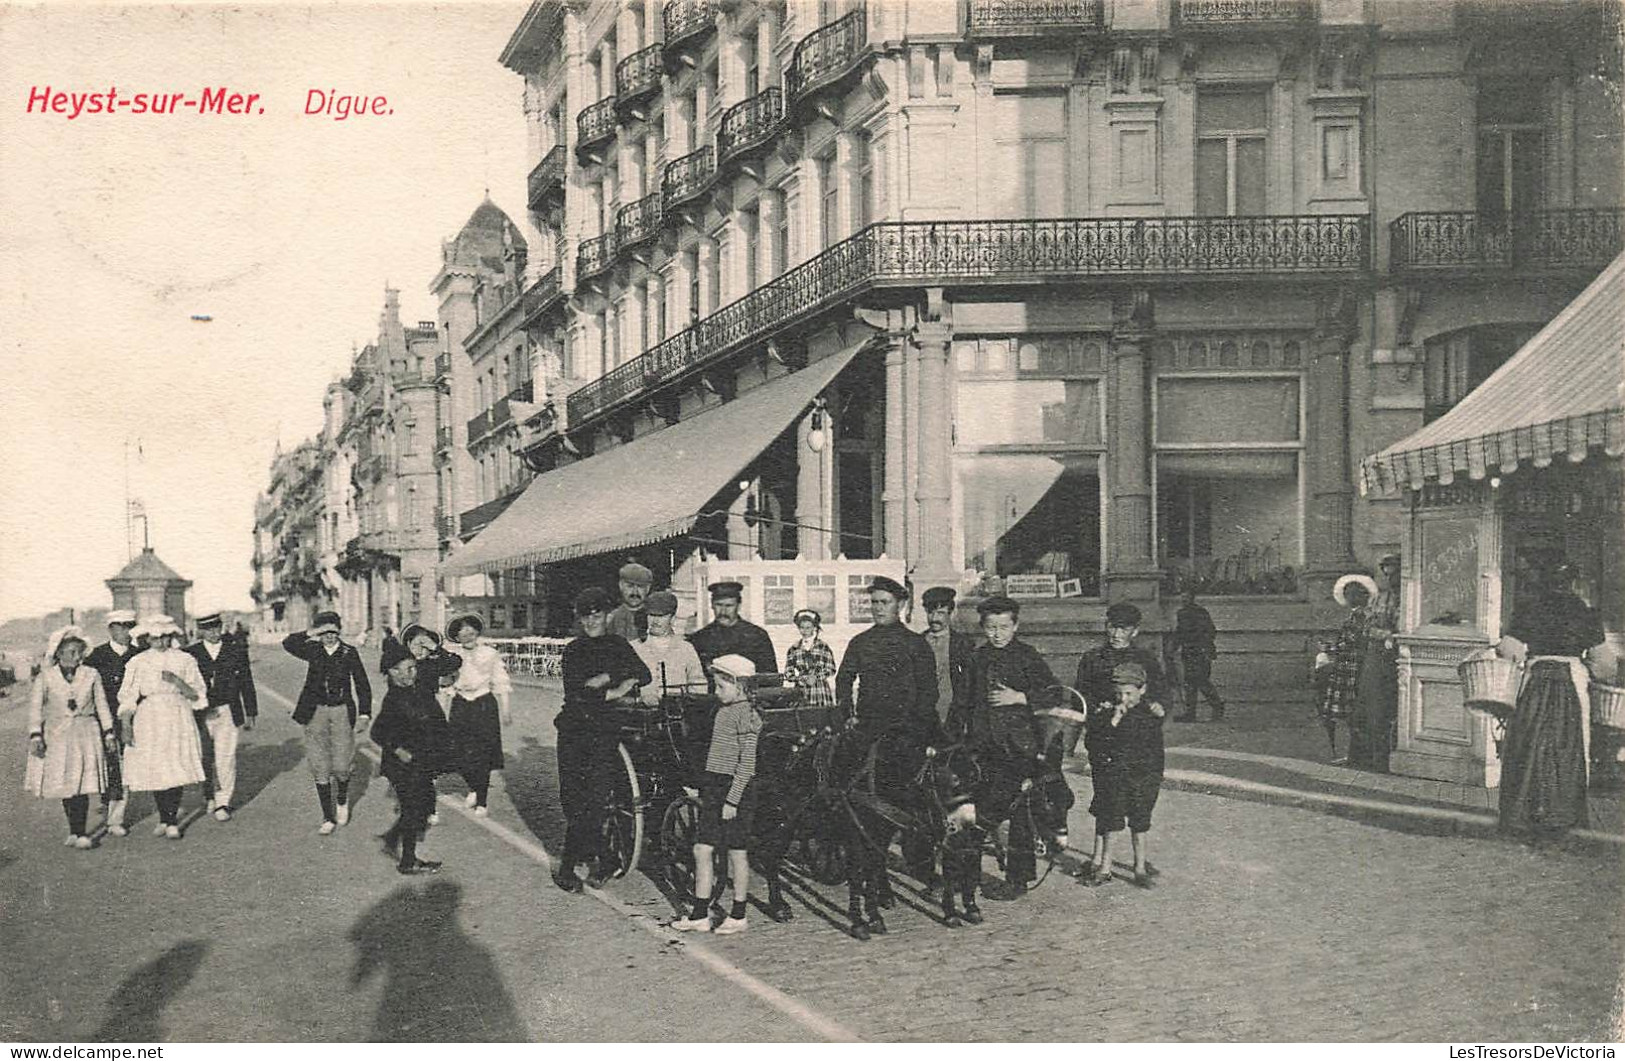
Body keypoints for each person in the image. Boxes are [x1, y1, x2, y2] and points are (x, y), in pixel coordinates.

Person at [953, 595, 1065, 902]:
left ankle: (1018, 878)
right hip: (982, 747)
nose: (997, 633)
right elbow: (963, 701)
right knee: (972, 812)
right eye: (991, 627)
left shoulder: (1028, 657)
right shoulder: (977, 659)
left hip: (1019, 750)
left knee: (1018, 813)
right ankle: (968, 875)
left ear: (1016, 626)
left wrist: (1022, 698)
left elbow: (1055, 695)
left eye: (1004, 626)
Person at [1497, 557, 1606, 839]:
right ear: (1572, 582)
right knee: (1571, 745)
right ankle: (1563, 813)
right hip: (1572, 678)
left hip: (1535, 678)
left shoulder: (1528, 608)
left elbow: (1509, 650)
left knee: (1525, 742)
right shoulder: (1585, 612)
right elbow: (1603, 663)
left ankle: (1523, 814)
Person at [554, 587, 650, 893]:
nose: (592, 621)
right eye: (586, 616)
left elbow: (643, 674)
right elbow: (578, 693)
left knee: (595, 801)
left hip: (603, 732)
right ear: (580, 620)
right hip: (574, 731)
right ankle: (600, 858)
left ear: (607, 616)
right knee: (573, 802)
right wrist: (617, 680)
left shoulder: (617, 644)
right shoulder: (573, 651)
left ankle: (573, 867)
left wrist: (610, 684)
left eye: (597, 615)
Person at [672, 654, 763, 936]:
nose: (715, 692)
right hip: (716, 787)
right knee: (702, 849)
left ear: (739, 685)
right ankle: (700, 913)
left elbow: (746, 765)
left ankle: (738, 914)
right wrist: (704, 786)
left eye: (721, 687)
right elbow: (716, 757)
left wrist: (732, 800)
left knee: (737, 853)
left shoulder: (748, 715)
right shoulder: (723, 711)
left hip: (736, 792)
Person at [26, 626, 119, 848]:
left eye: (79, 652)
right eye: (71, 653)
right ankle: (74, 830)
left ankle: (81, 833)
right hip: (58, 734)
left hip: (86, 732)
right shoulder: (46, 677)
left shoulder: (91, 674)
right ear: (58, 653)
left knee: (82, 782)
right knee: (66, 784)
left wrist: (108, 732)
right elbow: (36, 708)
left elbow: (102, 705)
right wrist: (35, 736)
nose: (77, 658)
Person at [282, 611, 373, 835]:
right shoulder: (312, 650)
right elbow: (289, 643)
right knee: (319, 763)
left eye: (333, 631)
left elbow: (362, 685)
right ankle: (327, 816)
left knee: (342, 765)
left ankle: (341, 797)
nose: (329, 636)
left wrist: (364, 714)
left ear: (339, 632)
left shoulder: (348, 653)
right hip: (315, 711)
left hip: (341, 710)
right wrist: (312, 632)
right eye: (324, 632)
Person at [119, 616, 209, 839]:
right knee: (157, 767)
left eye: (165, 638)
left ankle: (171, 822)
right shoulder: (137, 662)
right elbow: (128, 696)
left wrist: (178, 682)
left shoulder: (185, 659)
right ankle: (165, 817)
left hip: (176, 714)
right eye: (155, 639)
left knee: (174, 765)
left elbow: (198, 694)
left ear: (171, 637)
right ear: (147, 639)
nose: (160, 643)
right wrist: (126, 725)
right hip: (150, 717)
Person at [372, 637, 455, 875]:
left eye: (411, 668)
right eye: (398, 670)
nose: (406, 674)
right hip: (402, 764)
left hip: (421, 761)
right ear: (388, 673)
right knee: (413, 809)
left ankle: (391, 839)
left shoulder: (417, 689)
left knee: (423, 805)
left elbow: (449, 664)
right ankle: (407, 861)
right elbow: (377, 732)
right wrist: (398, 749)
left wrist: (434, 647)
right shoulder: (393, 699)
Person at [1080, 661, 1165, 889]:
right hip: (1115, 777)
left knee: (1140, 823)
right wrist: (1113, 721)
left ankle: (1139, 868)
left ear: (1142, 690)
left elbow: (1155, 750)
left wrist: (1153, 778)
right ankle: (1105, 868)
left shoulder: (1149, 716)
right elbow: (1093, 742)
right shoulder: (1106, 714)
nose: (1123, 699)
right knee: (1111, 821)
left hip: (1142, 778)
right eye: (1118, 693)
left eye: (1129, 693)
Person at [834, 577, 940, 741]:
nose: (878, 609)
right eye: (875, 602)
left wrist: (917, 725)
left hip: (907, 732)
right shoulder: (860, 642)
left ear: (901, 605)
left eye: (885, 602)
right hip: (868, 728)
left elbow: (928, 690)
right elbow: (843, 679)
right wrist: (848, 715)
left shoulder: (916, 644)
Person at [186, 612, 259, 821]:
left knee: (225, 757)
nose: (213, 633)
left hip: (228, 709)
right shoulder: (191, 653)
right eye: (208, 629)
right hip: (201, 712)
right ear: (201, 631)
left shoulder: (235, 650)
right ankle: (209, 794)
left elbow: (246, 681)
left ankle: (223, 802)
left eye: (216, 628)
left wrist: (251, 711)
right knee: (204, 756)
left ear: (222, 628)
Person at [443, 613, 512, 817]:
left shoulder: (490, 654)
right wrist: (444, 713)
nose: (467, 633)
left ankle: (482, 800)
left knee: (482, 754)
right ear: (457, 636)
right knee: (459, 753)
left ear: (476, 632)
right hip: (461, 705)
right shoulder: (452, 657)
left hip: (484, 705)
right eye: (462, 630)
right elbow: (447, 686)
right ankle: (473, 787)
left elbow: (500, 681)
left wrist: (506, 710)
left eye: (470, 629)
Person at [396, 623, 463, 827]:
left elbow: (455, 663)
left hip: (430, 717)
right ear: (408, 645)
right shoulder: (401, 665)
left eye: (426, 645)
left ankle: (430, 807)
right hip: (406, 717)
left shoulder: (431, 664)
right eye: (417, 644)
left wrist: (436, 648)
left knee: (427, 765)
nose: (422, 649)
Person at [85, 610, 139, 836]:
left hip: (133, 719)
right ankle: (108, 803)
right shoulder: (96, 656)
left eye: (129, 626)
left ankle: (116, 817)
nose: (125, 632)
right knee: (109, 766)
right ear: (111, 629)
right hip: (104, 720)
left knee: (127, 767)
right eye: (120, 627)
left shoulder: (139, 655)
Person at [1348, 554, 1401, 771]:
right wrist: (1386, 635)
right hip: (1376, 658)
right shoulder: (1378, 599)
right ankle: (1369, 759)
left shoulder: (1413, 598)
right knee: (1371, 707)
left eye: (1395, 574)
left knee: (1393, 709)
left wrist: (1392, 636)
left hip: (1401, 657)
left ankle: (1392, 757)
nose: (1391, 579)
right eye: (1387, 574)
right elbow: (1366, 628)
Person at [1318, 574, 1377, 762]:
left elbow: (1351, 642)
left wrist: (1328, 648)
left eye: (1354, 593)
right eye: (1348, 593)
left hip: (1352, 666)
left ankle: (1354, 753)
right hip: (1348, 665)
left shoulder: (1359, 616)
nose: (1350, 597)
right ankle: (1352, 752)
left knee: (1351, 709)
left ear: (1364, 595)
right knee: (1351, 710)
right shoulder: (1357, 615)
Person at [1074, 602, 1168, 717]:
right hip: (1103, 722)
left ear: (1135, 631)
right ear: (1106, 626)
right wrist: (1095, 707)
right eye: (1112, 627)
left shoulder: (1146, 658)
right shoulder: (1092, 658)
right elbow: (1079, 696)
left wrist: (1158, 705)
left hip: (1138, 722)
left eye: (1124, 630)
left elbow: (1161, 693)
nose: (1116, 635)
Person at [688, 581, 778, 679]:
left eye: (729, 606)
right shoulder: (699, 639)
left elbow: (770, 678)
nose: (723, 611)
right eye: (719, 605)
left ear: (738, 606)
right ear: (712, 605)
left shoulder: (757, 636)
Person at [632, 590, 706, 704]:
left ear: (672, 618)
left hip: (678, 714)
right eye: (652, 615)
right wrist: (639, 699)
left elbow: (699, 685)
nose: (655, 621)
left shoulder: (686, 649)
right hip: (642, 714)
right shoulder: (634, 647)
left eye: (661, 616)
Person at [920, 587, 974, 732]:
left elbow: (969, 684)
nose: (934, 618)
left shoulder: (963, 644)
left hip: (954, 712)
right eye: (930, 613)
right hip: (923, 714)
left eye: (941, 613)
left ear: (951, 614)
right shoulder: (916, 642)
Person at [1172, 588, 1225, 723]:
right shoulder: (1181, 614)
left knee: (1202, 681)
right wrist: (1172, 648)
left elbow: (1210, 631)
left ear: (1192, 598)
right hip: (1188, 652)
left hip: (1201, 652)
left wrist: (1204, 647)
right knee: (1190, 683)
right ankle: (1190, 714)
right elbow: (1179, 633)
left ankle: (1217, 706)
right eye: (1182, 597)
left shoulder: (1200, 613)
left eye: (1186, 597)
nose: (1183, 600)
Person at [782, 608, 837, 720]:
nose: (805, 631)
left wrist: (816, 677)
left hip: (820, 690)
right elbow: (788, 672)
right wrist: (799, 679)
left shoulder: (822, 647)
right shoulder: (794, 649)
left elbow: (831, 668)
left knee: (823, 720)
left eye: (808, 627)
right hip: (802, 691)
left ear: (814, 628)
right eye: (802, 628)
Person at [606, 562, 654, 643]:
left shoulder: (654, 617)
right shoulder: (611, 619)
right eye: (630, 586)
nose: (635, 592)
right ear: (621, 585)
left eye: (640, 587)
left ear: (648, 588)